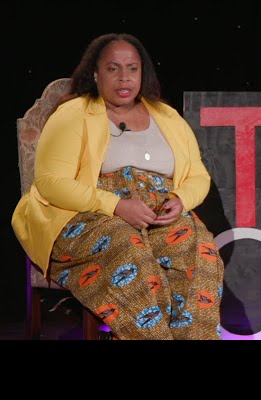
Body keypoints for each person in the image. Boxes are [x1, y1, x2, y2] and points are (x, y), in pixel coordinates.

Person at [12, 33, 224, 340]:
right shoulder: (74, 113)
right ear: (95, 74)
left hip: (157, 214)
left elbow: (198, 175)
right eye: (113, 68)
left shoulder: (167, 116)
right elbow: (51, 183)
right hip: (88, 215)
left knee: (198, 248)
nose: (124, 77)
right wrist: (116, 206)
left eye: (132, 68)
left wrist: (181, 199)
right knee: (128, 249)